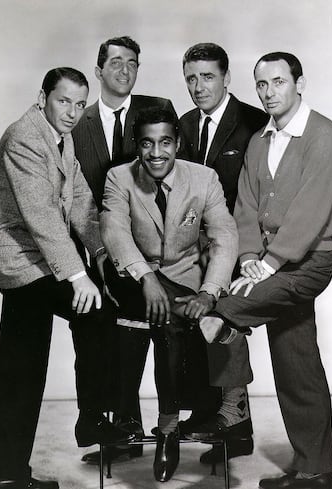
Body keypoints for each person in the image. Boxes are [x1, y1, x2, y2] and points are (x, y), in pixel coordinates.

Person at [195, 52, 332, 489]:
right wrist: (247, 257)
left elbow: (311, 211)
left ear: (299, 84)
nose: (269, 93)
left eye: (278, 82)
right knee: (295, 363)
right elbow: (244, 204)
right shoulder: (261, 140)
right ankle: (315, 471)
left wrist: (269, 264)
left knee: (223, 307)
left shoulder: (323, 136)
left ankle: (223, 329)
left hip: (309, 261)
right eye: (261, 85)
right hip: (266, 264)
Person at [0, 67, 134, 489]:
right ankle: (10, 474)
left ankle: (85, 422)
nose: (71, 111)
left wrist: (101, 250)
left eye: (79, 103)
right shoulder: (25, 138)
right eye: (63, 100)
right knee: (24, 366)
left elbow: (81, 199)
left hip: (43, 259)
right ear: (43, 97)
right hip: (21, 260)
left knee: (90, 320)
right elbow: (43, 219)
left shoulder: (59, 138)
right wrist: (77, 275)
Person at [99, 107, 245, 482]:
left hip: (184, 283)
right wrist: (146, 276)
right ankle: (173, 426)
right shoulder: (119, 177)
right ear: (137, 146)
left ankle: (168, 428)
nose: (156, 153)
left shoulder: (204, 179)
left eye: (165, 142)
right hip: (130, 277)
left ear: (178, 142)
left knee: (170, 319)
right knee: (175, 316)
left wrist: (210, 292)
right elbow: (114, 232)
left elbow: (224, 236)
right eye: (147, 143)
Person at [72, 36, 176, 465]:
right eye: (115, 62)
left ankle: (166, 430)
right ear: (98, 71)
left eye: (132, 62)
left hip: (152, 249)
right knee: (97, 337)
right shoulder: (78, 121)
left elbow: (175, 168)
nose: (124, 69)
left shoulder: (158, 108)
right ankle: (116, 430)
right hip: (94, 248)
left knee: (150, 333)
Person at [178, 42, 268, 464]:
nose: (198, 86)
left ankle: (235, 422)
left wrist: (256, 251)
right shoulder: (183, 124)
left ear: (226, 77)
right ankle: (221, 422)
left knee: (225, 327)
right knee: (198, 330)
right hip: (194, 251)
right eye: (191, 78)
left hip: (241, 249)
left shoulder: (254, 122)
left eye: (207, 76)